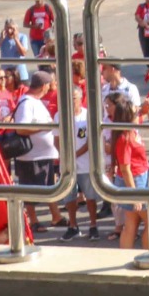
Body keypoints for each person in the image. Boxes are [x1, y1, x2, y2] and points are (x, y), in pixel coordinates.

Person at [11, 71, 59, 230]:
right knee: (30, 192)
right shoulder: (27, 103)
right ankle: (33, 221)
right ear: (44, 86)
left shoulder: (35, 101)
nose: (51, 87)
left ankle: (56, 216)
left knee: (49, 187)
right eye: (50, 84)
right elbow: (21, 129)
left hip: (41, 155)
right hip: (30, 157)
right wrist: (44, 128)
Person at [110, 96, 149, 251]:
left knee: (131, 223)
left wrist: (147, 106)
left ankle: (127, 256)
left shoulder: (130, 131)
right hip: (135, 181)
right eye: (135, 113)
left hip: (137, 178)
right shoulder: (125, 138)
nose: (138, 114)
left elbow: (144, 112)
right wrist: (134, 196)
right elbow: (125, 168)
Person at [63, 86, 100, 241]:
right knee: (69, 197)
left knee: (90, 197)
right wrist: (66, 155)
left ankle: (93, 225)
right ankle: (72, 226)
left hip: (85, 163)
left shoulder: (87, 116)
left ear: (81, 98)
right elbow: (57, 139)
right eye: (69, 98)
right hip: (67, 165)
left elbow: (91, 140)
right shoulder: (61, 115)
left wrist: (75, 154)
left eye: (74, 98)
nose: (71, 101)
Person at [0, 18, 30, 83]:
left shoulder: (22, 37)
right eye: (7, 29)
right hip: (6, 75)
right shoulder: (1, 38)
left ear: (16, 29)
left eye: (11, 28)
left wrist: (16, 39)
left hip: (20, 74)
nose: (9, 31)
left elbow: (23, 53)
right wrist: (1, 40)